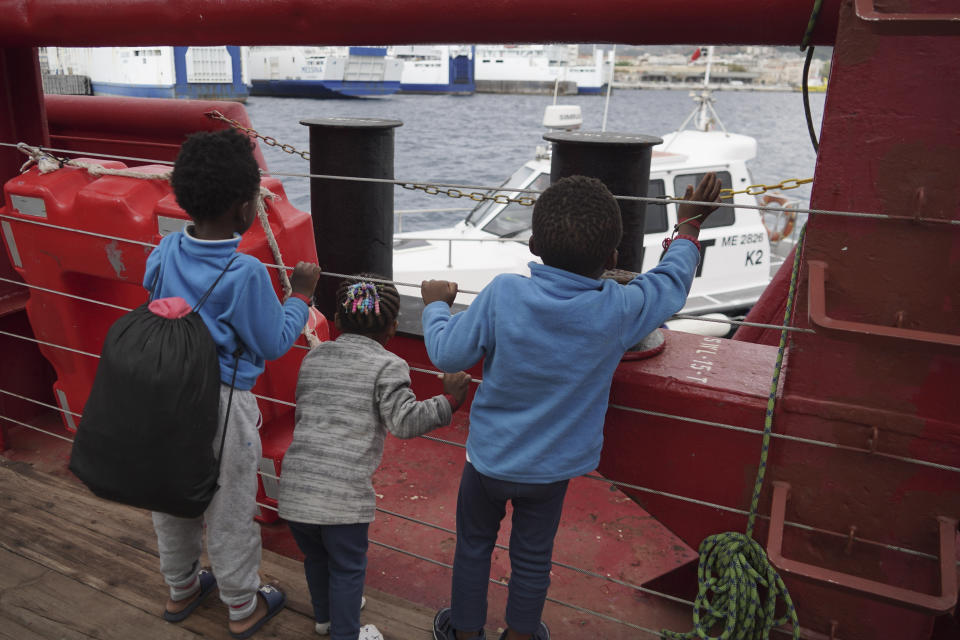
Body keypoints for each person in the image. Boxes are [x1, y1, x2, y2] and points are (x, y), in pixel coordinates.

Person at [421, 173, 722, 640]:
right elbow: (671, 284)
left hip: (490, 462)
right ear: (613, 258)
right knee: (533, 558)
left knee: (474, 546)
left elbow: (448, 355)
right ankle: (521, 634)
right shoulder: (618, 308)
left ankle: (463, 632)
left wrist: (437, 307)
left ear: (535, 244)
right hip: (552, 471)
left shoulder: (503, 293)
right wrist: (688, 229)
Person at [144, 128, 321, 639]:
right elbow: (272, 343)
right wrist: (301, 296)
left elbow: (153, 293)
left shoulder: (164, 249)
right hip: (222, 406)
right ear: (247, 208)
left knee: (172, 498)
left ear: (183, 198)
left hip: (164, 394)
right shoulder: (244, 272)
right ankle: (243, 605)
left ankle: (181, 588)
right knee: (230, 507)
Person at [279, 274, 472, 640]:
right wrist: (449, 401)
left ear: (336, 318)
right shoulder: (389, 365)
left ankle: (325, 618)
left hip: (296, 488)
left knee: (318, 560)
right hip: (343, 500)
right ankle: (346, 633)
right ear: (394, 328)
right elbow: (403, 421)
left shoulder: (315, 356)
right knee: (349, 569)